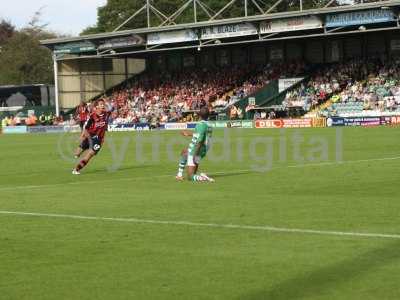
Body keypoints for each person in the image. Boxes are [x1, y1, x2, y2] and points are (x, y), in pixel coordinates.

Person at [72, 99, 113, 175]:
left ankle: (76, 169)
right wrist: (82, 136)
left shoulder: (107, 114)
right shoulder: (92, 116)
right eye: (101, 104)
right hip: (90, 136)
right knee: (77, 153)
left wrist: (106, 102)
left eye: (103, 104)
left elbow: (111, 108)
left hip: (99, 140)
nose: (103, 105)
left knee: (90, 154)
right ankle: (78, 154)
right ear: (96, 106)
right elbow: (86, 127)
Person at [176, 106, 214, 182]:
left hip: (196, 149)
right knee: (184, 152)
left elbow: (200, 140)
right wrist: (189, 134)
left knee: (190, 176)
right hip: (203, 149)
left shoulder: (201, 125)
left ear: (199, 115)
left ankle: (204, 178)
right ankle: (179, 175)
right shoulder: (209, 125)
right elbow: (200, 135)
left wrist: (195, 154)